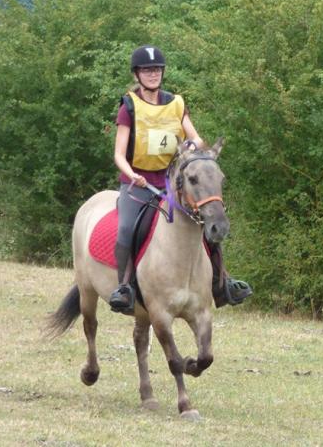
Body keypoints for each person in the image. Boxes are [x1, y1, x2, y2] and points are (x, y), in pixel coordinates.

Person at [108, 45, 252, 313]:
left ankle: (223, 284)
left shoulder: (176, 103)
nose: (153, 74)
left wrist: (191, 148)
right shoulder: (128, 106)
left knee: (208, 219)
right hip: (137, 184)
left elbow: (195, 138)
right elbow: (118, 154)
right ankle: (124, 287)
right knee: (127, 228)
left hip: (172, 183)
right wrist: (132, 176)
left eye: (157, 69)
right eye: (146, 70)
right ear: (137, 74)